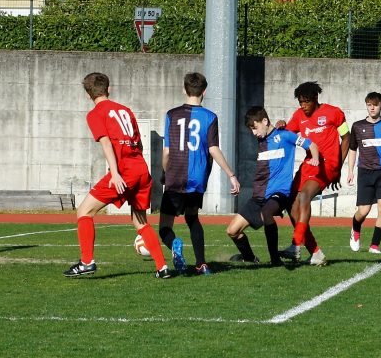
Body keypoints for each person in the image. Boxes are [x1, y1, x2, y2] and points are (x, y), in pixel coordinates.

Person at [63, 72, 171, 279]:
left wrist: (115, 173)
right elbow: (137, 143)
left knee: (84, 211)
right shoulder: (125, 111)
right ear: (108, 89)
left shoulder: (95, 113)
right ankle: (162, 267)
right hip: (141, 169)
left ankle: (87, 262)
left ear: (88, 94)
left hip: (124, 171)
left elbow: (106, 143)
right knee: (140, 222)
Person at [159, 72, 240, 276]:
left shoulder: (171, 115)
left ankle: (175, 243)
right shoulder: (211, 117)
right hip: (197, 178)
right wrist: (231, 174)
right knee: (193, 219)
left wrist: (164, 172)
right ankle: (202, 264)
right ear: (204, 91)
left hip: (175, 175)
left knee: (164, 227)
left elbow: (167, 152)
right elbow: (213, 149)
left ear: (184, 89)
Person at [226, 106, 319, 266]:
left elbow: (311, 145)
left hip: (279, 193)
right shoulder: (261, 139)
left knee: (266, 213)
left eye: (254, 128)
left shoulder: (285, 136)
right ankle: (250, 258)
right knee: (232, 231)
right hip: (259, 195)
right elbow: (269, 130)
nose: (254, 133)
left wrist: (315, 158)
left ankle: (275, 260)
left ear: (264, 121)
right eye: (251, 130)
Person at [278, 81, 350, 266]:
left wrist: (338, 167)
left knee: (304, 197)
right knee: (292, 205)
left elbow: (347, 138)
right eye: (300, 102)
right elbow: (287, 134)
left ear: (316, 99)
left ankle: (295, 245)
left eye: (306, 101)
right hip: (309, 164)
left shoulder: (334, 113)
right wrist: (281, 125)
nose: (303, 105)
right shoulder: (299, 116)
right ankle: (316, 253)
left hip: (327, 164)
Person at [347, 92, 381, 254]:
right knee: (364, 211)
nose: (372, 108)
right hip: (365, 172)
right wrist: (350, 171)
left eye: (375, 105)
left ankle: (374, 245)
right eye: (369, 105)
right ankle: (355, 229)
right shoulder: (357, 126)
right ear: (366, 105)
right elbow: (352, 149)